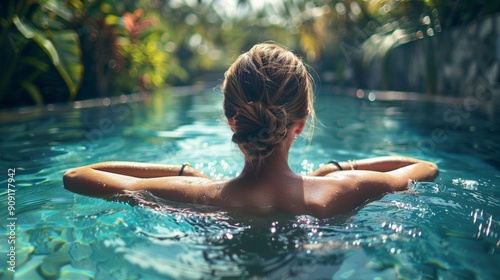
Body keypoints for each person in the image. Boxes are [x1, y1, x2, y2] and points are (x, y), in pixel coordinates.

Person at [63, 43, 438, 218]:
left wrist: (184, 173)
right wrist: (336, 169)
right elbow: (425, 169)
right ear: (301, 124)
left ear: (232, 121)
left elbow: (77, 176)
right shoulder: (340, 191)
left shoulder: (196, 195)